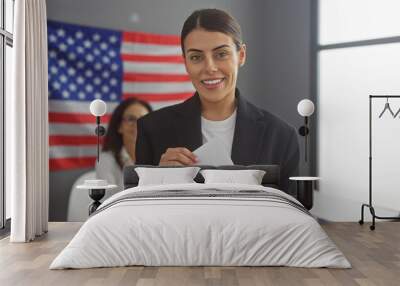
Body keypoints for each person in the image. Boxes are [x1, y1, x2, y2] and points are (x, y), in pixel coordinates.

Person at [135, 9, 299, 195]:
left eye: (221, 54)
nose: (210, 68)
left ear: (241, 55)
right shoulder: (152, 130)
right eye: (196, 57)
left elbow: (291, 214)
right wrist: (158, 179)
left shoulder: (281, 136)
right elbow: (139, 212)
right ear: (186, 63)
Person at [96, 98, 152, 189]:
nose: (138, 125)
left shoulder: (159, 157)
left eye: (144, 119)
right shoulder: (106, 160)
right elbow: (109, 199)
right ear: (119, 126)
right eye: (131, 119)